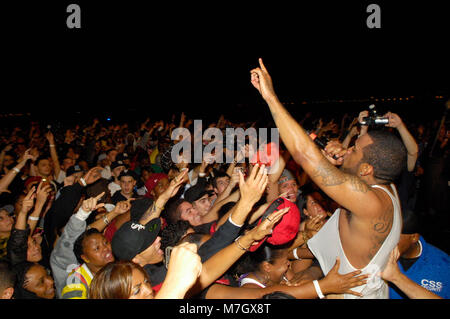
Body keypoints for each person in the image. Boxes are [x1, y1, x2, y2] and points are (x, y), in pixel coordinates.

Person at [250, 58, 407, 298]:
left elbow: (303, 155)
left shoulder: (371, 203)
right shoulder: (385, 187)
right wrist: (342, 167)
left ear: (366, 169)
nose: (348, 150)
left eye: (354, 148)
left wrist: (270, 97)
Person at [50, 192, 117, 299]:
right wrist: (82, 213)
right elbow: (67, 243)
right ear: (85, 257)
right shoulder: (75, 284)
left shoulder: (114, 269)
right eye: (97, 248)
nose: (106, 248)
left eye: (105, 242)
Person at [89, 242, 203, 299]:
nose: (148, 290)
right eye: (136, 291)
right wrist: (175, 283)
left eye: (147, 282)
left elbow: (209, 271)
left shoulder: (158, 290)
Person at [387, 209, 450, 299]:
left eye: (395, 236)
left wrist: (396, 277)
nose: (387, 241)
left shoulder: (444, 265)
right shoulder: (374, 255)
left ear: (414, 237)